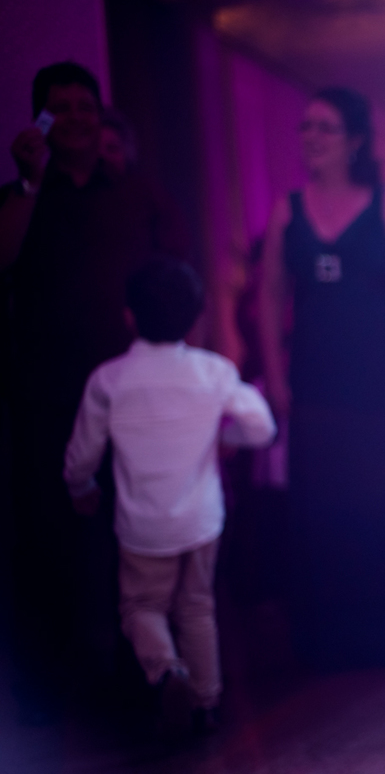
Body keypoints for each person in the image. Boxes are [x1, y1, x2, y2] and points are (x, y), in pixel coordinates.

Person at [1, 61, 190, 720]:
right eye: (62, 107)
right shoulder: (24, 194)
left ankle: (146, 676)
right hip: (49, 394)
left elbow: (179, 282)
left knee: (135, 537)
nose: (77, 118)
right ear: (42, 118)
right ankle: (64, 689)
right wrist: (28, 180)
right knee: (54, 538)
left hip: (135, 398)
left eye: (86, 106)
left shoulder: (139, 195)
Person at [258, 86, 385, 669]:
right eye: (307, 127)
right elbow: (270, 296)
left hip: (381, 376)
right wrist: (275, 374)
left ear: (355, 141)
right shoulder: (288, 208)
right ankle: (332, 637)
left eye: (326, 127)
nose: (312, 137)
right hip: (316, 376)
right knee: (325, 505)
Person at [63, 259, 275, 735]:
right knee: (197, 607)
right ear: (197, 318)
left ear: (129, 317)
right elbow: (261, 427)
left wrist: (81, 487)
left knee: (142, 607)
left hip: (142, 527)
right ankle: (206, 701)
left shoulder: (109, 380)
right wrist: (226, 438)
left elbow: (83, 452)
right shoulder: (212, 372)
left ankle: (166, 670)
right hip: (201, 520)